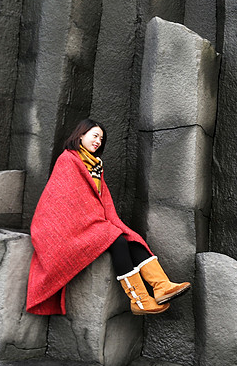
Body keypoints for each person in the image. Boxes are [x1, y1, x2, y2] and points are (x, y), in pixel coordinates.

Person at [25, 118, 190, 316]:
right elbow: (65, 201)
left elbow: (99, 200)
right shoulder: (68, 159)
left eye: (101, 139)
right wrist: (93, 220)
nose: (98, 141)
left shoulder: (96, 165)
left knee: (132, 238)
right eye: (94, 136)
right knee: (117, 240)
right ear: (80, 135)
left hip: (91, 222)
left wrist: (99, 219)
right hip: (66, 227)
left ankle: (161, 286)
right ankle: (139, 300)